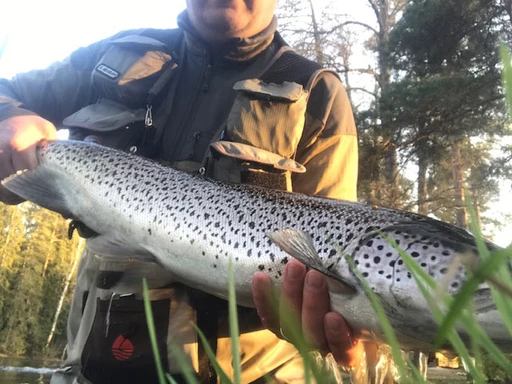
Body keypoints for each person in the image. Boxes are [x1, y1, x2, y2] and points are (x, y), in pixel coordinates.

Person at [0, 0, 361, 382]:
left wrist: (339, 322)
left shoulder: (317, 92)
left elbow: (331, 254)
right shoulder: (115, 55)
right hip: (94, 366)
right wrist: (9, 118)